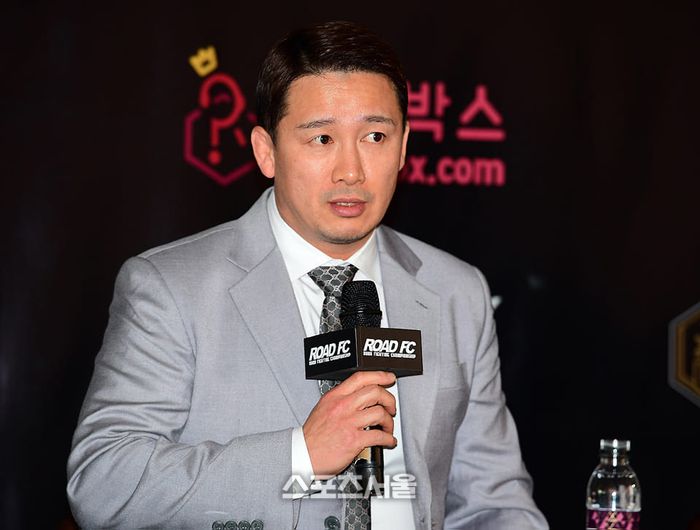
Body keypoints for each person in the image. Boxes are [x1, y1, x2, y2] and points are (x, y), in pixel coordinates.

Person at [67, 21, 548, 529]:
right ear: (266, 151)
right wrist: (300, 454)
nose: (351, 171)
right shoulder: (171, 288)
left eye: (375, 136)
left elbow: (495, 503)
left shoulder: (455, 292)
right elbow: (103, 484)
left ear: (404, 147)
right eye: (322, 138)